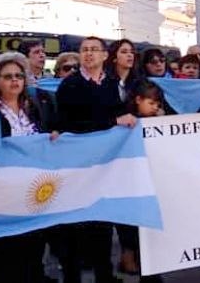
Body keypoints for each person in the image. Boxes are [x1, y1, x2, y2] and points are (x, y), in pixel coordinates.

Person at [54, 37, 136, 283]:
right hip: (79, 167)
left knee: (102, 225)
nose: (89, 54)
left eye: (94, 50)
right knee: (76, 229)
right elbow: (70, 125)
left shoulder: (111, 83)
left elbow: (117, 113)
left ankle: (105, 275)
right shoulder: (70, 85)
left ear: (104, 56)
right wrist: (113, 122)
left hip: (105, 166)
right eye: (84, 50)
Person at [0, 52, 48, 282]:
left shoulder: (35, 108)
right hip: (1, 194)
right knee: (5, 253)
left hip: (32, 190)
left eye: (19, 76)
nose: (14, 80)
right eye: (8, 76)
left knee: (33, 249)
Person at [117, 81, 165, 282]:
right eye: (151, 103)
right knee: (136, 233)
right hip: (131, 186)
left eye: (157, 104)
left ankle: (152, 273)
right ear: (138, 100)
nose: (155, 108)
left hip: (151, 183)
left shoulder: (158, 122)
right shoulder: (127, 123)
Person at [105, 39, 139, 105]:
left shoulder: (139, 81)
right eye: (124, 52)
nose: (130, 55)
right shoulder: (104, 81)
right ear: (114, 58)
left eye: (132, 52)